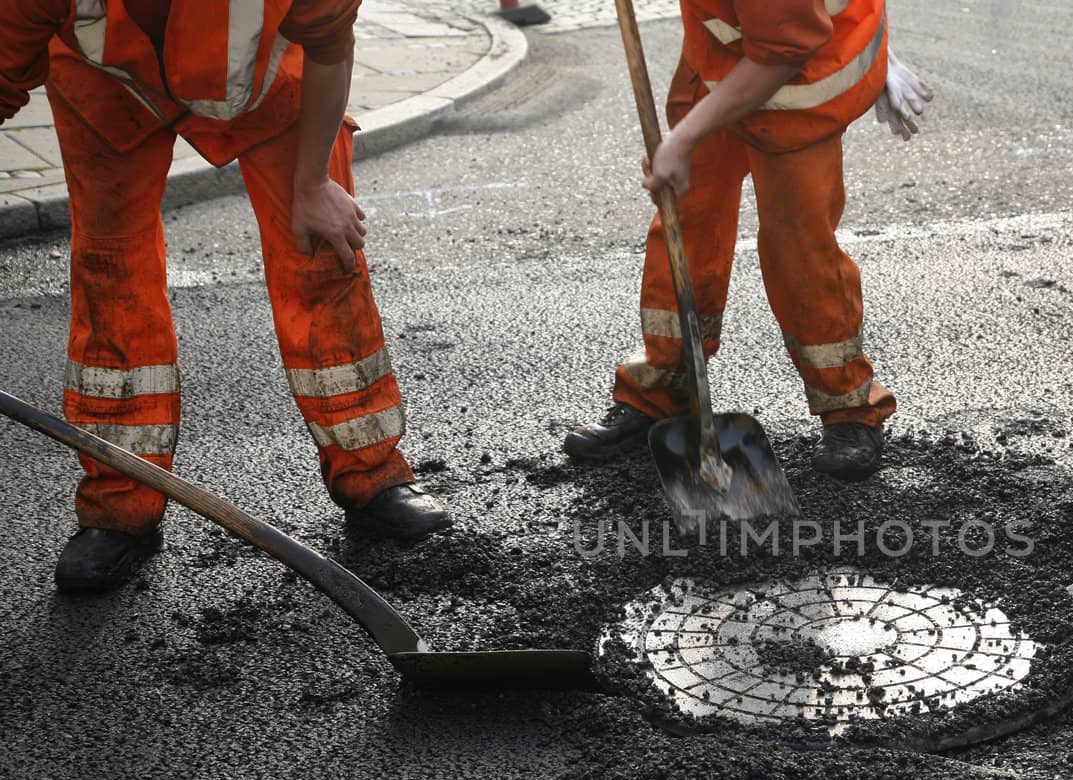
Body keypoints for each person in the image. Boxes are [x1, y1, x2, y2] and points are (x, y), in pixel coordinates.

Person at [0, 0, 451, 593]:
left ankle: (371, 475)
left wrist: (314, 183)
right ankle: (119, 503)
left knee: (320, 253)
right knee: (110, 274)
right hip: (108, 84)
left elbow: (330, 47)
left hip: (265, 81)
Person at [561, 0, 932, 482]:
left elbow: (783, 50)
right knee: (687, 218)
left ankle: (849, 407)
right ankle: (660, 390)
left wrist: (686, 136)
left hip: (800, 77)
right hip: (726, 54)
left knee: (799, 247)